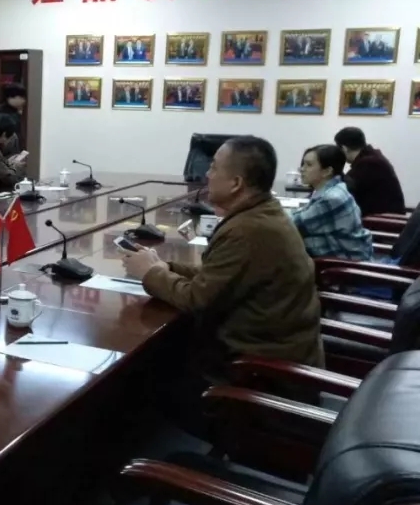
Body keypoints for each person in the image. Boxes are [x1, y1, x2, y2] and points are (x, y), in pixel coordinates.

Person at [120, 136, 323, 385]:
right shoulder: (263, 213)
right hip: (276, 354)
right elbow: (217, 276)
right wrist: (167, 267)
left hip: (259, 373)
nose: (207, 174)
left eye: (214, 167)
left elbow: (196, 300)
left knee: (143, 372)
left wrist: (149, 274)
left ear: (236, 183)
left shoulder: (248, 230)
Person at [290, 144, 373, 261]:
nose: (302, 169)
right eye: (303, 164)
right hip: (336, 258)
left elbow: (294, 224)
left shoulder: (331, 199)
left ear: (327, 171)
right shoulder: (336, 187)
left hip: (342, 266)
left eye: (309, 165)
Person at [333, 126, 405, 217]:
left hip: (382, 220)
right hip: (382, 216)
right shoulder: (372, 157)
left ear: (344, 148)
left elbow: (343, 189)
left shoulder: (369, 163)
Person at [0, 82, 27, 156]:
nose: (23, 100)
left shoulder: (13, 112)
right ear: (11, 98)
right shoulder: (5, 116)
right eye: (21, 97)